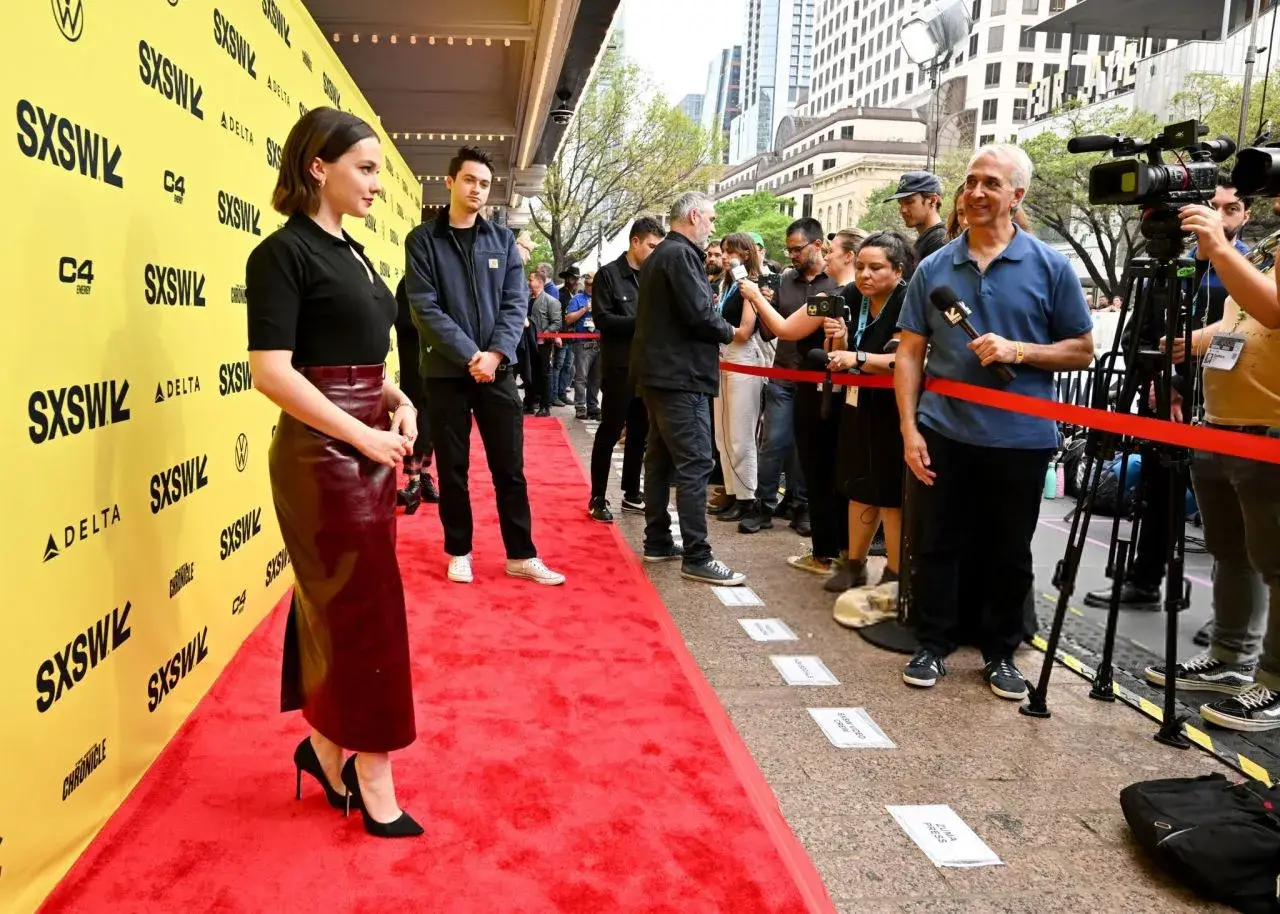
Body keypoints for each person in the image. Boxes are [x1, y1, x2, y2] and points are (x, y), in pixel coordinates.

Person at [245, 107, 421, 838]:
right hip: (321, 459)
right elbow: (273, 372)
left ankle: (322, 747)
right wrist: (362, 435)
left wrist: (397, 400)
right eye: (367, 168)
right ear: (319, 166)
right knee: (366, 613)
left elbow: (355, 359)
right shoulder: (280, 255)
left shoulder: (353, 252)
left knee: (338, 606)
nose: (377, 183)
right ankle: (369, 769)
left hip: (365, 443)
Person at [895, 144, 1094, 701]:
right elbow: (911, 353)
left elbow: (1081, 350)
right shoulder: (935, 266)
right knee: (937, 542)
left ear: (1016, 195)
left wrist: (1018, 351)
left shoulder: (1051, 266)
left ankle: (1001, 653)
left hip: (1020, 439)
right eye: (969, 183)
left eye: (990, 183)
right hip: (943, 430)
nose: (976, 193)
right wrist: (911, 430)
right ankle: (932, 643)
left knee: (1008, 549)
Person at [1085, 175, 1255, 613]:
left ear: (1246, 215)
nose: (1218, 216)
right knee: (1156, 494)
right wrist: (1153, 384)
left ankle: (1230, 618)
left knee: (1231, 515)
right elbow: (1137, 333)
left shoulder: (1248, 273)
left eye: (1230, 209)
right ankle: (1144, 580)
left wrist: (1179, 386)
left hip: (1216, 407)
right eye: (1211, 206)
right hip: (1158, 404)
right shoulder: (1167, 268)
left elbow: (1244, 338)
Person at [1144, 192, 1280, 730]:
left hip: (1267, 434)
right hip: (1223, 427)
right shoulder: (1268, 247)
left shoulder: (1238, 251)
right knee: (1232, 550)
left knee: (1276, 562)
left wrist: (1220, 248)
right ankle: (1229, 658)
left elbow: (1273, 309)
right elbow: (1246, 321)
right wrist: (1193, 341)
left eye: (1232, 206)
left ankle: (1272, 681)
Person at [405, 147, 564, 587]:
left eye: (484, 184)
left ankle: (521, 554)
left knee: (509, 468)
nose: (477, 189)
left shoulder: (503, 242)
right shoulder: (423, 240)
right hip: (445, 373)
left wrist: (493, 355)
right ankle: (459, 550)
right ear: (450, 182)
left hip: (497, 371)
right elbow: (425, 307)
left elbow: (516, 304)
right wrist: (470, 355)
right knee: (453, 469)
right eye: (470, 180)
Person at [632, 191, 746, 586]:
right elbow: (700, 315)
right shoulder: (680, 255)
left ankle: (659, 539)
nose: (713, 227)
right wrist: (731, 331)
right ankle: (697, 554)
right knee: (696, 461)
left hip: (660, 374)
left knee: (661, 458)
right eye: (711, 219)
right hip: (681, 377)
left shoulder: (660, 255)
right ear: (694, 215)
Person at [746, 218, 848, 576]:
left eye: (834, 250)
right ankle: (768, 505)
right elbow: (779, 331)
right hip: (792, 378)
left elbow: (790, 328)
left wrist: (757, 297)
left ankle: (817, 529)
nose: (790, 256)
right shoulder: (797, 286)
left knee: (816, 461)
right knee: (778, 443)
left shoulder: (835, 293)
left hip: (826, 386)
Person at [821, 231, 914, 594]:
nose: (865, 275)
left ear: (898, 270)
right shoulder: (850, 296)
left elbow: (906, 359)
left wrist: (858, 357)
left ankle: (894, 573)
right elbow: (840, 353)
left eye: (876, 268)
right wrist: (840, 340)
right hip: (857, 403)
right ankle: (854, 563)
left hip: (897, 408)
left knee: (890, 492)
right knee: (857, 482)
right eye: (859, 266)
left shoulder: (909, 301)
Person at [588, 216, 665, 522]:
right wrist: (643, 324)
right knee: (610, 430)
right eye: (651, 246)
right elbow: (604, 320)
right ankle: (597, 496)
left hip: (647, 366)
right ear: (635, 242)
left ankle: (632, 492)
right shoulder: (609, 275)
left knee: (640, 432)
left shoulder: (654, 276)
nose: (655, 252)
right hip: (619, 366)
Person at [711, 233, 772, 530]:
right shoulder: (726, 284)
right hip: (721, 358)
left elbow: (746, 330)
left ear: (746, 254)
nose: (724, 257)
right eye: (722, 251)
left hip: (744, 359)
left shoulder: (752, 284)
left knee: (741, 434)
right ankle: (733, 493)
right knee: (722, 435)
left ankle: (748, 497)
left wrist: (715, 328)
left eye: (729, 252)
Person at [393, 278, 440, 509]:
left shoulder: (439, 279)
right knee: (414, 419)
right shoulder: (407, 284)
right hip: (413, 362)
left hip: (437, 363)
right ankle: (412, 480)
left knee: (431, 421)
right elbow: (402, 321)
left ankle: (424, 477)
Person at [888, 171, 947, 263]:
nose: (902, 210)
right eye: (901, 204)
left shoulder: (940, 241)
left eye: (909, 202)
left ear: (932, 200)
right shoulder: (926, 240)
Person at [527, 271, 561, 417]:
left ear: (539, 282)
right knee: (530, 373)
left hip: (543, 344)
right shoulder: (528, 299)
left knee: (544, 374)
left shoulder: (551, 301)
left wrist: (545, 333)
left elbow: (557, 322)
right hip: (529, 343)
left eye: (531, 279)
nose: (528, 282)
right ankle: (530, 402)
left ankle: (545, 405)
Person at [569, 273, 601, 419]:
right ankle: (580, 407)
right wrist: (584, 310)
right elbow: (568, 319)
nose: (590, 287)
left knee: (596, 378)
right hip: (583, 343)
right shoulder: (577, 299)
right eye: (588, 284)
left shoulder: (602, 298)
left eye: (593, 284)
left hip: (599, 343)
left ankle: (593, 406)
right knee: (581, 377)